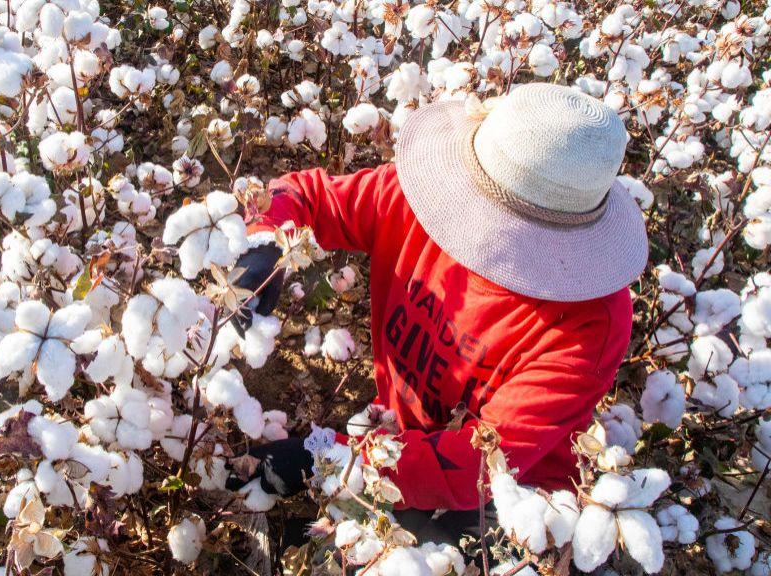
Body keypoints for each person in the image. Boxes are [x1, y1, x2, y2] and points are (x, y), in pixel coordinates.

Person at [223, 83, 649, 543]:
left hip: (512, 496)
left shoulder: (589, 326)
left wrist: (327, 457)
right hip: (400, 437)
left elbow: (479, 465)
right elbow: (308, 196)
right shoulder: (423, 200)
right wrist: (263, 243)